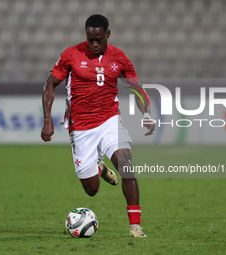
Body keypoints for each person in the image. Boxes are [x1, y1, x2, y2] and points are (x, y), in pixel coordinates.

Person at [41, 14, 155, 237]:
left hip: (109, 120)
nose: (94, 44)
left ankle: (135, 226)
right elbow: (50, 85)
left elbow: (136, 88)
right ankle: (99, 168)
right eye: (90, 39)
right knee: (91, 190)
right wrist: (47, 120)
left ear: (108, 35)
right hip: (81, 127)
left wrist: (147, 114)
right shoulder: (71, 55)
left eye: (99, 39)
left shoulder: (120, 58)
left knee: (126, 164)